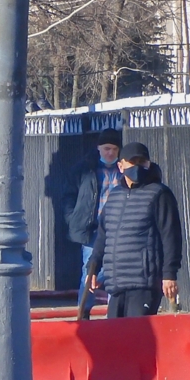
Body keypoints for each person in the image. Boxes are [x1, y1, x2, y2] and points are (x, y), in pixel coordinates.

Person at [86, 142, 182, 320]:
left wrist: (169, 274)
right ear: (121, 166)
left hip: (144, 282)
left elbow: (170, 236)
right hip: (116, 282)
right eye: (132, 162)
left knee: (137, 338)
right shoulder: (114, 196)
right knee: (116, 340)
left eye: (142, 162)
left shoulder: (159, 194)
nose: (137, 166)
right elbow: (103, 237)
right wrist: (93, 268)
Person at [66, 130, 124, 320]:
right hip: (92, 229)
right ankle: (84, 312)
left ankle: (113, 313)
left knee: (114, 270)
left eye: (114, 149)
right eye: (107, 148)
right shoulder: (84, 169)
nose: (110, 153)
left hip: (118, 229)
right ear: (99, 148)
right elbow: (69, 196)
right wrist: (72, 218)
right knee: (89, 270)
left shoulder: (123, 170)